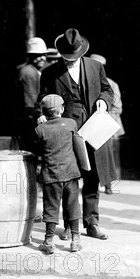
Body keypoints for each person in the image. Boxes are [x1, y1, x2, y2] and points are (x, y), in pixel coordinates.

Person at [35, 28, 117, 240]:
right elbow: (41, 101)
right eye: (67, 58)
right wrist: (41, 115)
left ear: (82, 52)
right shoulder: (50, 73)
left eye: (75, 58)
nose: (71, 61)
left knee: (92, 177)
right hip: (66, 133)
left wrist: (103, 101)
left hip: (93, 127)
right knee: (67, 179)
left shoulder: (95, 66)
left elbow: (108, 91)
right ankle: (70, 226)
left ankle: (92, 223)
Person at [35, 94, 83, 254]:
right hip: (71, 172)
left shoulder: (40, 129)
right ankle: (75, 240)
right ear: (62, 109)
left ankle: (49, 241)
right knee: (73, 205)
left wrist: (41, 123)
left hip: (51, 175)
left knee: (50, 207)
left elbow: (38, 150)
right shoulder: (71, 124)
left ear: (44, 112)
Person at [89, 53, 124, 195]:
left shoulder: (111, 84)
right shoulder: (87, 83)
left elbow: (117, 107)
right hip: (91, 127)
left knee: (108, 157)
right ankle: (94, 184)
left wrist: (101, 119)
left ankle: (109, 184)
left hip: (108, 127)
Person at [14, 37, 48, 152]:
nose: (42, 58)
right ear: (30, 56)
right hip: (31, 120)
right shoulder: (28, 72)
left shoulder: (37, 70)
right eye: (37, 55)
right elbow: (31, 102)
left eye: (43, 54)